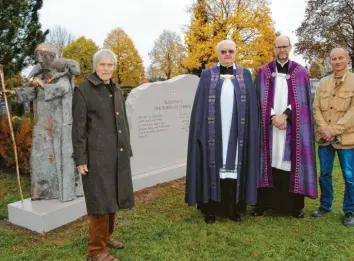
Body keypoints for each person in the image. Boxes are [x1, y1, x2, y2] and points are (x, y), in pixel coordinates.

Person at [185, 39, 259, 223]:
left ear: (235, 53)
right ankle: (210, 209)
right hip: (213, 133)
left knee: (234, 168)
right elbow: (200, 107)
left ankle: (233, 209)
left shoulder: (245, 75)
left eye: (230, 51)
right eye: (223, 51)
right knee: (212, 166)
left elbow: (251, 108)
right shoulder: (207, 75)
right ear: (218, 53)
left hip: (237, 132)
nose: (227, 54)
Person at [72, 49, 134, 261]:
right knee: (100, 201)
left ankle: (106, 237)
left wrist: (127, 149)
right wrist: (80, 158)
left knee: (113, 198)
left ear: (113, 67)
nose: (106, 68)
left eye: (110, 65)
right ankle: (96, 251)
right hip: (96, 157)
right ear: (95, 66)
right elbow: (78, 129)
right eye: (102, 64)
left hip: (117, 154)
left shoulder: (115, 89)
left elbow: (123, 121)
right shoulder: (83, 91)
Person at [1, 43, 83, 202]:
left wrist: (44, 85)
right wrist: (13, 92)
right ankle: (45, 191)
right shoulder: (41, 77)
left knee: (61, 158)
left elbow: (61, 89)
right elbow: (32, 92)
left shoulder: (62, 76)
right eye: (36, 56)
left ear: (49, 57)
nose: (38, 60)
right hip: (43, 125)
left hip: (60, 125)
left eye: (41, 56)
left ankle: (64, 191)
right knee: (41, 158)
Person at [253, 35, 317, 218]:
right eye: (278, 47)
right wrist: (273, 116)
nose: (281, 50)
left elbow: (303, 101)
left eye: (284, 46)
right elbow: (259, 99)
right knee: (268, 160)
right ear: (274, 48)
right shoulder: (264, 71)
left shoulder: (301, 72)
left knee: (289, 163)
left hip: (291, 126)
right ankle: (263, 204)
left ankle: (293, 207)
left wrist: (285, 116)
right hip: (270, 126)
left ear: (290, 47)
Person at [312, 47, 354, 226]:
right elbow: (316, 108)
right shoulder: (323, 82)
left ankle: (350, 210)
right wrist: (324, 128)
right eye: (334, 59)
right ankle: (325, 205)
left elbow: (352, 112)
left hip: (347, 138)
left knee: (349, 175)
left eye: (341, 58)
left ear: (348, 59)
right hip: (324, 138)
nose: (337, 62)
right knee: (325, 173)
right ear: (330, 61)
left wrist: (333, 130)